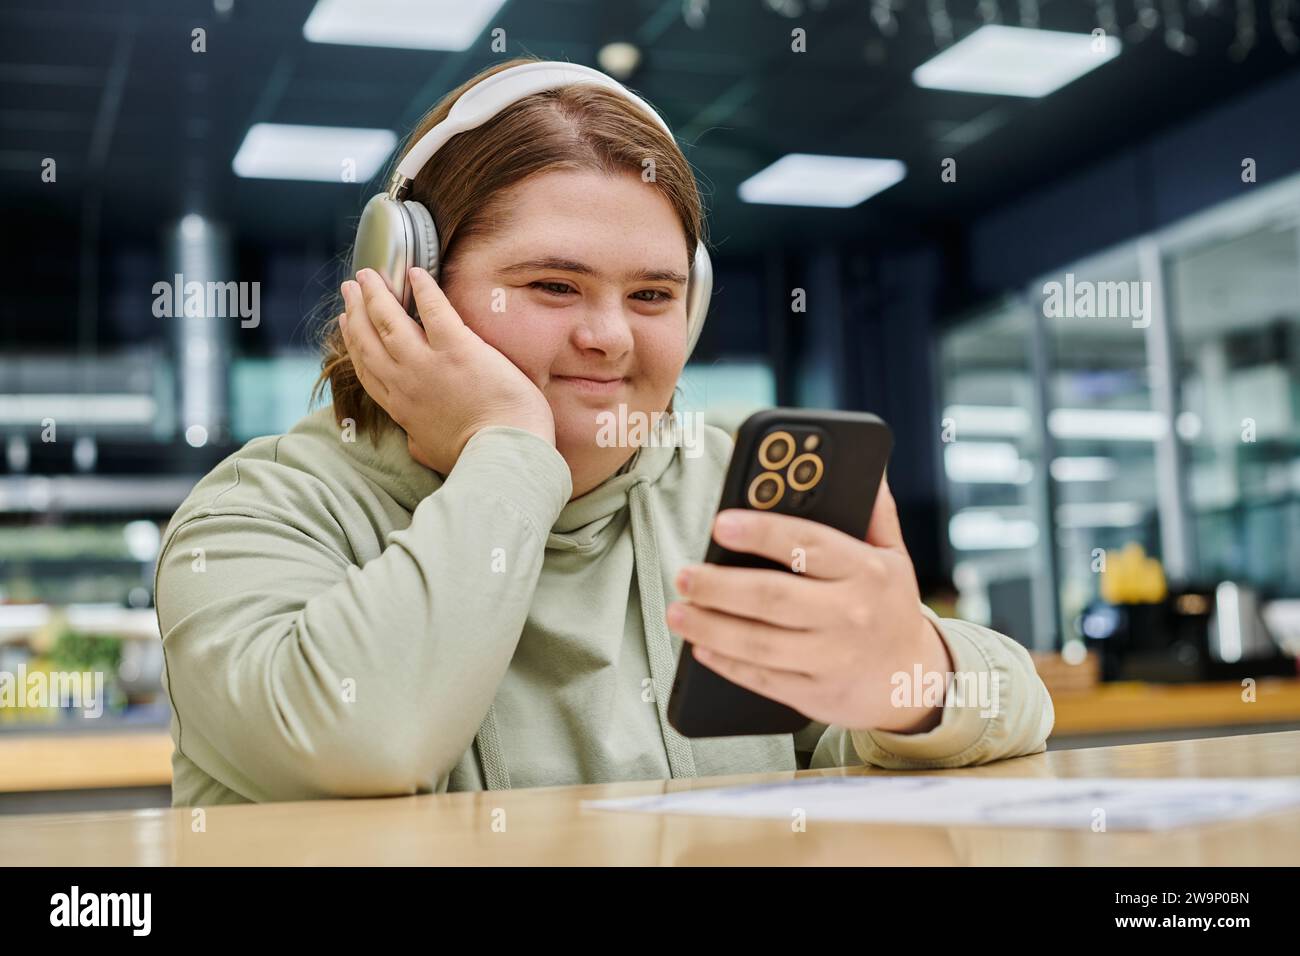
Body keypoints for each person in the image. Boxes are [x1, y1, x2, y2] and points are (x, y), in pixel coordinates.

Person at [154, 57, 1054, 806]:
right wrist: (508, 447)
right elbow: (363, 741)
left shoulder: (732, 481)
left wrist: (919, 679)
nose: (612, 336)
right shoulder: (258, 512)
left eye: (654, 296)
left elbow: (1016, 706)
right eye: (552, 286)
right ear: (402, 284)